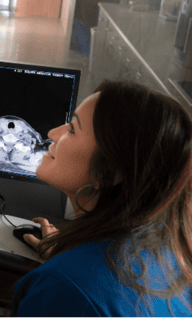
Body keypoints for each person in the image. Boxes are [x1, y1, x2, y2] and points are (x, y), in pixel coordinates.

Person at [10, 79, 192, 316]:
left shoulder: (66, 288)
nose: (53, 133)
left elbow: (83, 294)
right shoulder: (172, 254)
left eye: (73, 129)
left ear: (110, 172)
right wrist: (69, 255)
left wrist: (67, 274)